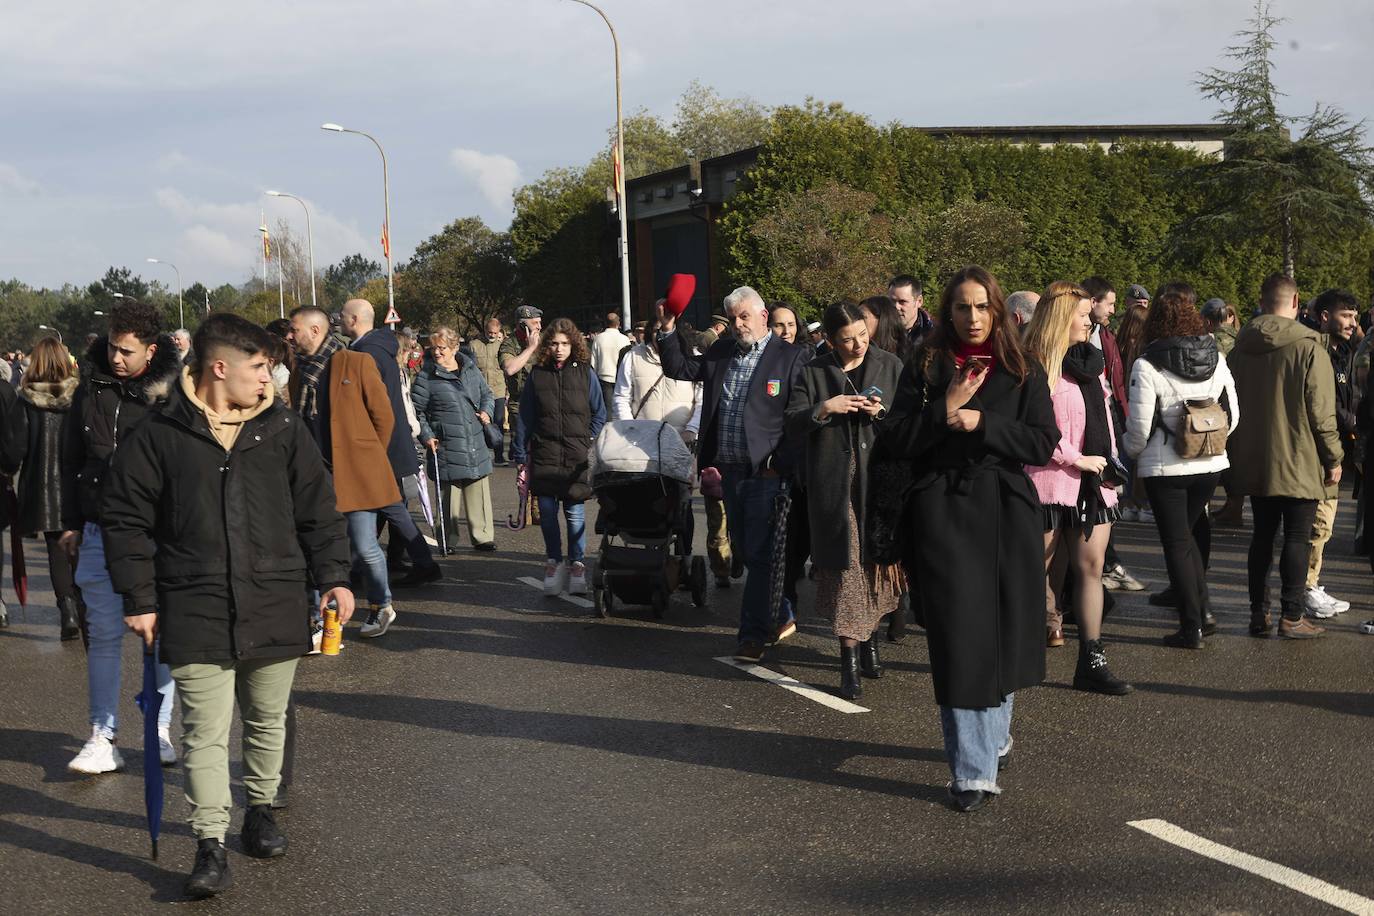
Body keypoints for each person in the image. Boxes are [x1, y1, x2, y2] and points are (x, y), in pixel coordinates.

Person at [101, 314, 353, 899]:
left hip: (275, 595)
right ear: (220, 368)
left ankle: (259, 811)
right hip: (194, 600)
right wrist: (138, 598)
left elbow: (318, 509)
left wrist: (335, 576)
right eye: (260, 367)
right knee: (204, 733)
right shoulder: (160, 432)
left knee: (267, 720)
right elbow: (126, 519)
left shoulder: (284, 429)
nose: (269, 379)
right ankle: (209, 844)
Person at [878, 265, 1056, 812]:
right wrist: (945, 408)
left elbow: (1042, 442)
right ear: (947, 312)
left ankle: (994, 732)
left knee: (1000, 633)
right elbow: (895, 440)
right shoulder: (927, 364)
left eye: (982, 306)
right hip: (944, 514)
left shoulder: (1022, 367)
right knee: (960, 641)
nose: (973, 317)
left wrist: (984, 424)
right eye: (962, 307)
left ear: (997, 310)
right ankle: (973, 773)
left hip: (1006, 513)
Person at [59, 300, 181, 773]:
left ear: (151, 350)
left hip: (157, 533)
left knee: (161, 634)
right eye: (112, 346)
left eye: (127, 351)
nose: (116, 358)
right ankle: (102, 735)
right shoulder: (89, 386)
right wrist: (70, 521)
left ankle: (159, 728)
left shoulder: (173, 393)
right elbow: (69, 460)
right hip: (97, 528)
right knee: (105, 635)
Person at [657, 286, 808, 662]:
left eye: (745, 317)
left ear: (762, 316)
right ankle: (777, 612)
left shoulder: (791, 357)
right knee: (745, 550)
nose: (739, 324)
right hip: (729, 469)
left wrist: (779, 466)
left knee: (757, 555)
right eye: (734, 317)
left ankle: (751, 636)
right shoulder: (721, 351)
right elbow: (679, 368)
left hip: (765, 474)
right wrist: (667, 329)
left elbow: (798, 419)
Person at [785, 301, 903, 700]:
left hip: (878, 483)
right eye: (847, 340)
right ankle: (848, 659)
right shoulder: (814, 371)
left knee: (872, 564)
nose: (857, 346)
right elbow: (792, 420)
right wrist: (824, 408)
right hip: (834, 486)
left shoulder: (889, 365)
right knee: (848, 565)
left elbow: (907, 419)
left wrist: (882, 411)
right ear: (831, 341)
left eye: (863, 337)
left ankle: (868, 639)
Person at [1023, 281, 1132, 695]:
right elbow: (1035, 429)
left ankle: (1092, 660)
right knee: (1037, 569)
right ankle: (1020, 651)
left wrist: (1109, 465)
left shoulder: (1092, 361)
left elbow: (1105, 417)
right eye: (1083, 316)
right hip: (1046, 481)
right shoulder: (1032, 364)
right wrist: (1075, 458)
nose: (1091, 322)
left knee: (1090, 568)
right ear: (1059, 318)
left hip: (1093, 483)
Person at [1123, 285, 1239, 648]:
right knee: (1187, 538)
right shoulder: (1217, 357)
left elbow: (1139, 429)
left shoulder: (1147, 363)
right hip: (1210, 464)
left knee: (1175, 544)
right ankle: (1203, 612)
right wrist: (1211, 442)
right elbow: (1233, 414)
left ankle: (1192, 628)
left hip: (1165, 468)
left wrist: (1130, 453)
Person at [1227, 273, 1342, 639]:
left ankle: (1258, 613)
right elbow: (1321, 412)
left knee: (1261, 535)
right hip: (1299, 457)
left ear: (1262, 302)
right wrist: (1334, 457)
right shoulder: (1310, 349)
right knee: (1296, 536)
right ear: (1296, 304)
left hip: (1254, 457)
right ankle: (1291, 616)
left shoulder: (1239, 348)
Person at [288, 306, 403, 637]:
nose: (290, 337)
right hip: (313, 475)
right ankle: (318, 618)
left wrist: (365, 456)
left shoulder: (355, 361)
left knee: (364, 545)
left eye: (295, 330)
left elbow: (384, 417)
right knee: (314, 545)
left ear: (314, 330)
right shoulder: (298, 370)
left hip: (355, 473)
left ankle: (381, 605)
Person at [338, 300, 441, 587]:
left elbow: (374, 407)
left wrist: (370, 448)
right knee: (388, 506)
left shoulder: (366, 354)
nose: (339, 321)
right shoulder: (379, 349)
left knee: (380, 505)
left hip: (380, 445)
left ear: (355, 319)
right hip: (389, 444)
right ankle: (411, 562)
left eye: (343, 316)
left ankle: (366, 567)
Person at [519, 319, 606, 596]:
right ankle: (553, 562)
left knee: (574, 513)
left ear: (574, 344)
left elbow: (599, 412)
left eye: (565, 343)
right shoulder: (537, 374)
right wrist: (520, 453)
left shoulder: (586, 373)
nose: (559, 349)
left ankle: (577, 565)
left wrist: (587, 438)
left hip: (575, 455)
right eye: (555, 343)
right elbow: (525, 416)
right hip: (545, 453)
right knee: (546, 514)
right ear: (547, 344)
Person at [1294, 288, 1361, 619]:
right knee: (1316, 524)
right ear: (1324, 316)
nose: (1352, 322)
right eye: (1345, 315)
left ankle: (1311, 583)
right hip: (1316, 451)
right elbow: (1318, 403)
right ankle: (1305, 588)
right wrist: (1351, 419)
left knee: (1323, 525)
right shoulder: (1312, 349)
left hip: (1334, 448)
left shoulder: (1342, 350)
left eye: (1354, 316)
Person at [12, 338, 83, 640]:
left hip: (42, 485)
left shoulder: (25, 399)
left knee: (56, 549)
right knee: (81, 547)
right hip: (76, 482)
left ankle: (67, 610)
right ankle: (83, 604)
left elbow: (17, 447)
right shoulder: (80, 396)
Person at [1082, 276, 1146, 592]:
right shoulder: (1080, 337)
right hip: (1089, 426)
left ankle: (1108, 561)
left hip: (1109, 420)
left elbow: (1113, 382)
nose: (1113, 309)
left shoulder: (1104, 335)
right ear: (1092, 302)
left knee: (1109, 491)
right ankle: (1106, 563)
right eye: (1109, 302)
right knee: (1102, 492)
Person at [412, 326, 497, 552]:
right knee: (449, 496)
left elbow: (487, 394)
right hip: (446, 442)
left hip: (474, 438)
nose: (437, 353)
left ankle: (483, 537)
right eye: (434, 348)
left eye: (442, 348)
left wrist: (487, 411)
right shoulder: (426, 377)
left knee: (477, 486)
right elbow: (416, 412)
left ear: (455, 347)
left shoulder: (470, 370)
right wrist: (427, 436)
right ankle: (447, 539)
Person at [469, 317, 509, 465]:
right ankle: (482, 455)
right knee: (481, 424)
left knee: (498, 423)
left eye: (495, 333)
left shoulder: (502, 346)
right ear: (485, 330)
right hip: (480, 392)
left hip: (498, 390)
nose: (492, 335)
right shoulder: (474, 345)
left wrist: (507, 391)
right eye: (490, 332)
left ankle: (499, 456)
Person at [589, 310, 632, 408]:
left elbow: (593, 362)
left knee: (607, 410)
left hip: (603, 379)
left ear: (605, 323)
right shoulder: (624, 339)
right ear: (618, 324)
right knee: (621, 407)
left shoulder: (598, 339)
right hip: (622, 378)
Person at [860, 295, 912, 364]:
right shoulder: (855, 356)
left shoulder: (905, 360)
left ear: (882, 319)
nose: (856, 322)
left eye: (862, 317)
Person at [888, 274, 933, 346]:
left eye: (902, 302)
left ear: (919, 301)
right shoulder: (878, 331)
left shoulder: (934, 336)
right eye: (892, 301)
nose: (896, 307)